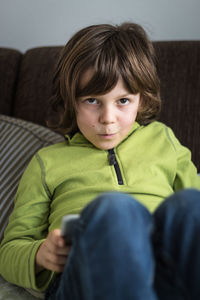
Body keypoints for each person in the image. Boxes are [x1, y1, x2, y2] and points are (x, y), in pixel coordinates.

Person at [0, 22, 200, 300]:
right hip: (84, 277)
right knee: (114, 210)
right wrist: (39, 255)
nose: (108, 118)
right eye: (93, 100)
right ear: (71, 101)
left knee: (190, 204)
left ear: (141, 100)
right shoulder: (48, 162)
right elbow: (9, 251)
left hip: (162, 271)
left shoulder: (163, 139)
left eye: (123, 101)